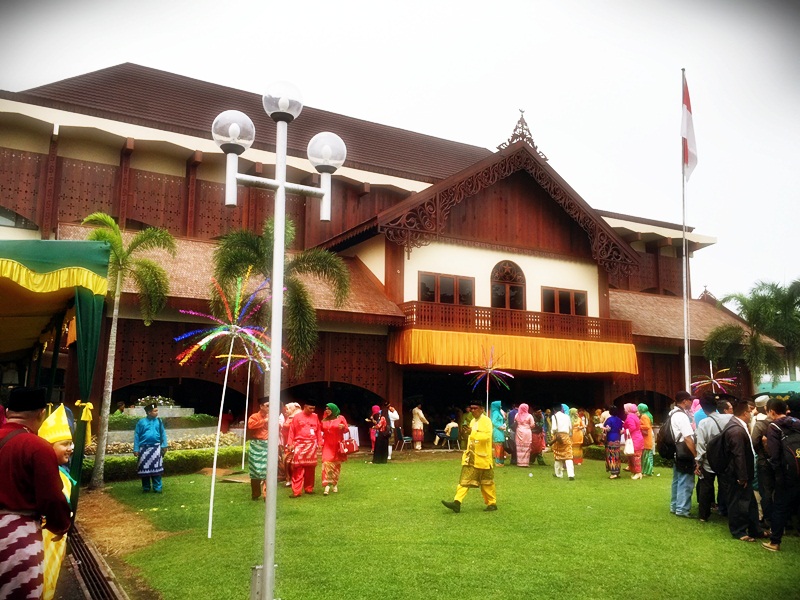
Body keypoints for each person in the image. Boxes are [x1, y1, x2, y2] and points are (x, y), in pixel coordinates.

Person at [0, 387, 71, 600]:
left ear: (8, 411)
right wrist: (60, 524)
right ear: (41, 414)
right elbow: (51, 497)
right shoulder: (36, 446)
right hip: (16, 534)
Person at [38, 404, 76, 600]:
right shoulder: (45, 475)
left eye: (71, 443)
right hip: (42, 544)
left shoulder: (58, 471)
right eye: (65, 443)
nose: (71, 448)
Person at [720, 398, 768, 541]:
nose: (752, 414)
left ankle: (755, 529)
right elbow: (738, 455)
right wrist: (742, 476)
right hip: (736, 474)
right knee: (737, 502)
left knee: (751, 502)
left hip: (741, 471)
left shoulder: (738, 426)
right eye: (750, 411)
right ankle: (738, 531)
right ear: (744, 413)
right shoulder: (736, 430)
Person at [441, 401, 497, 513]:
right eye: (471, 408)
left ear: (481, 409)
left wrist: (473, 432)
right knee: (464, 480)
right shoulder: (472, 421)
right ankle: (457, 502)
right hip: (471, 456)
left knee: (486, 482)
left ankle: (492, 503)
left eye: (475, 408)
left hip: (482, 457)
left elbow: (486, 437)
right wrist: (467, 433)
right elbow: (472, 437)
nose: (472, 410)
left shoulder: (486, 421)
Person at [762, 398, 800, 551]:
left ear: (771, 411)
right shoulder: (797, 422)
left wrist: (776, 474)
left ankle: (775, 542)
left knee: (780, 506)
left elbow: (775, 454)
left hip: (786, 474)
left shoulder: (774, 427)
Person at [694, 395, 733, 522]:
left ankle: (703, 515)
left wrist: (698, 462)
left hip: (709, 460)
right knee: (726, 486)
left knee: (706, 487)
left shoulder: (704, 423)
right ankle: (727, 511)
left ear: (703, 409)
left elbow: (701, 444)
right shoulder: (729, 418)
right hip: (726, 460)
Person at [286, 401, 323, 497]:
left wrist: (320, 442)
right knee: (298, 467)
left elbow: (318, 430)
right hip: (299, 444)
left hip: (311, 445)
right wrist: (290, 443)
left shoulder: (315, 416)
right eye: (310, 408)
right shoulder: (297, 417)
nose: (312, 410)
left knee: (311, 468)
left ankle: (309, 488)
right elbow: (291, 430)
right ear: (305, 407)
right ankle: (296, 491)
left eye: (313, 408)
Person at [669, 391, 696, 518]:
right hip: (684, 450)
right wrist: (696, 455)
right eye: (690, 400)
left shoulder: (672, 413)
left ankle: (675, 505)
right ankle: (682, 509)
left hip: (676, 450)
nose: (691, 403)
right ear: (685, 401)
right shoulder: (681, 416)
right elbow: (688, 438)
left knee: (677, 479)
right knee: (686, 480)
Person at [750, 394, 774, 529]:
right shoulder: (769, 421)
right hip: (771, 459)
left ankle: (763, 516)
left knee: (762, 489)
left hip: (760, 458)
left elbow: (753, 441)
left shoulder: (756, 420)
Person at [133, 402, 168, 493]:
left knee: (157, 469)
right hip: (144, 449)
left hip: (156, 448)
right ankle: (146, 488)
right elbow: (137, 435)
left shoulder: (159, 421)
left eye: (157, 410)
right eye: (155, 411)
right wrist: (136, 449)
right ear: (149, 412)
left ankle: (157, 488)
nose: (157, 412)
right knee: (144, 470)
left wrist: (164, 445)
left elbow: (163, 433)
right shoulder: (141, 422)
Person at [321, 403, 348, 495]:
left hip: (337, 445)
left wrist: (343, 427)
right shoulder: (324, 419)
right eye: (326, 409)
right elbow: (320, 429)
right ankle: (327, 485)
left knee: (336, 465)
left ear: (334, 409)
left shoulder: (340, 418)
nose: (327, 410)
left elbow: (346, 430)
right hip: (327, 445)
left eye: (329, 409)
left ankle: (335, 483)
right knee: (326, 463)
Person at [247, 397, 270, 500]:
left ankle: (267, 494)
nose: (269, 408)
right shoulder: (254, 416)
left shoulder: (272, 416)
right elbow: (250, 426)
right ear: (261, 406)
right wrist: (264, 420)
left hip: (268, 444)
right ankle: (255, 494)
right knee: (254, 469)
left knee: (268, 469)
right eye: (267, 406)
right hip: (256, 444)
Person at [549, 404, 575, 481]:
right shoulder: (567, 416)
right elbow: (570, 427)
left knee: (557, 455)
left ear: (554, 410)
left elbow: (554, 428)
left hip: (557, 437)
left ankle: (558, 474)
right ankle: (571, 474)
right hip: (566, 437)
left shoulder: (554, 417)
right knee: (568, 456)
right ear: (561, 409)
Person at [280, 402, 301, 488]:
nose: (286, 411)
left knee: (292, 461)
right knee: (286, 460)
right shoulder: (289, 417)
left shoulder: (297, 416)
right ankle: (288, 478)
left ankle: (294, 478)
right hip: (287, 441)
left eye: (288, 409)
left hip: (294, 442)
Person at [623, 403, 644, 479]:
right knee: (635, 456)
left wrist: (624, 431)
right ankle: (636, 472)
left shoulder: (630, 417)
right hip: (637, 438)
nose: (624, 410)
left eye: (625, 408)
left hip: (634, 439)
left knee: (636, 456)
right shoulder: (634, 416)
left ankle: (638, 472)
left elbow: (632, 427)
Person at [603, 405, 624, 479]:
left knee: (611, 456)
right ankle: (617, 471)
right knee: (617, 456)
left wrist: (602, 427)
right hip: (617, 438)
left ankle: (613, 472)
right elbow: (621, 429)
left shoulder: (609, 419)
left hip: (611, 438)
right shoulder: (619, 420)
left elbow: (608, 429)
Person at [638, 403, 655, 476]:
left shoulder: (644, 416)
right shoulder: (649, 415)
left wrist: (638, 425)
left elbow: (646, 426)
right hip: (649, 435)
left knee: (646, 456)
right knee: (648, 455)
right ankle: (649, 470)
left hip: (646, 437)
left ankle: (647, 471)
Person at [490, 401, 506, 466]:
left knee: (501, 446)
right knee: (498, 446)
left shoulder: (498, 412)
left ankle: (501, 461)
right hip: (497, 431)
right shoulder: (496, 412)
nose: (501, 406)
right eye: (500, 405)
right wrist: (500, 427)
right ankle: (497, 462)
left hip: (500, 431)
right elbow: (493, 421)